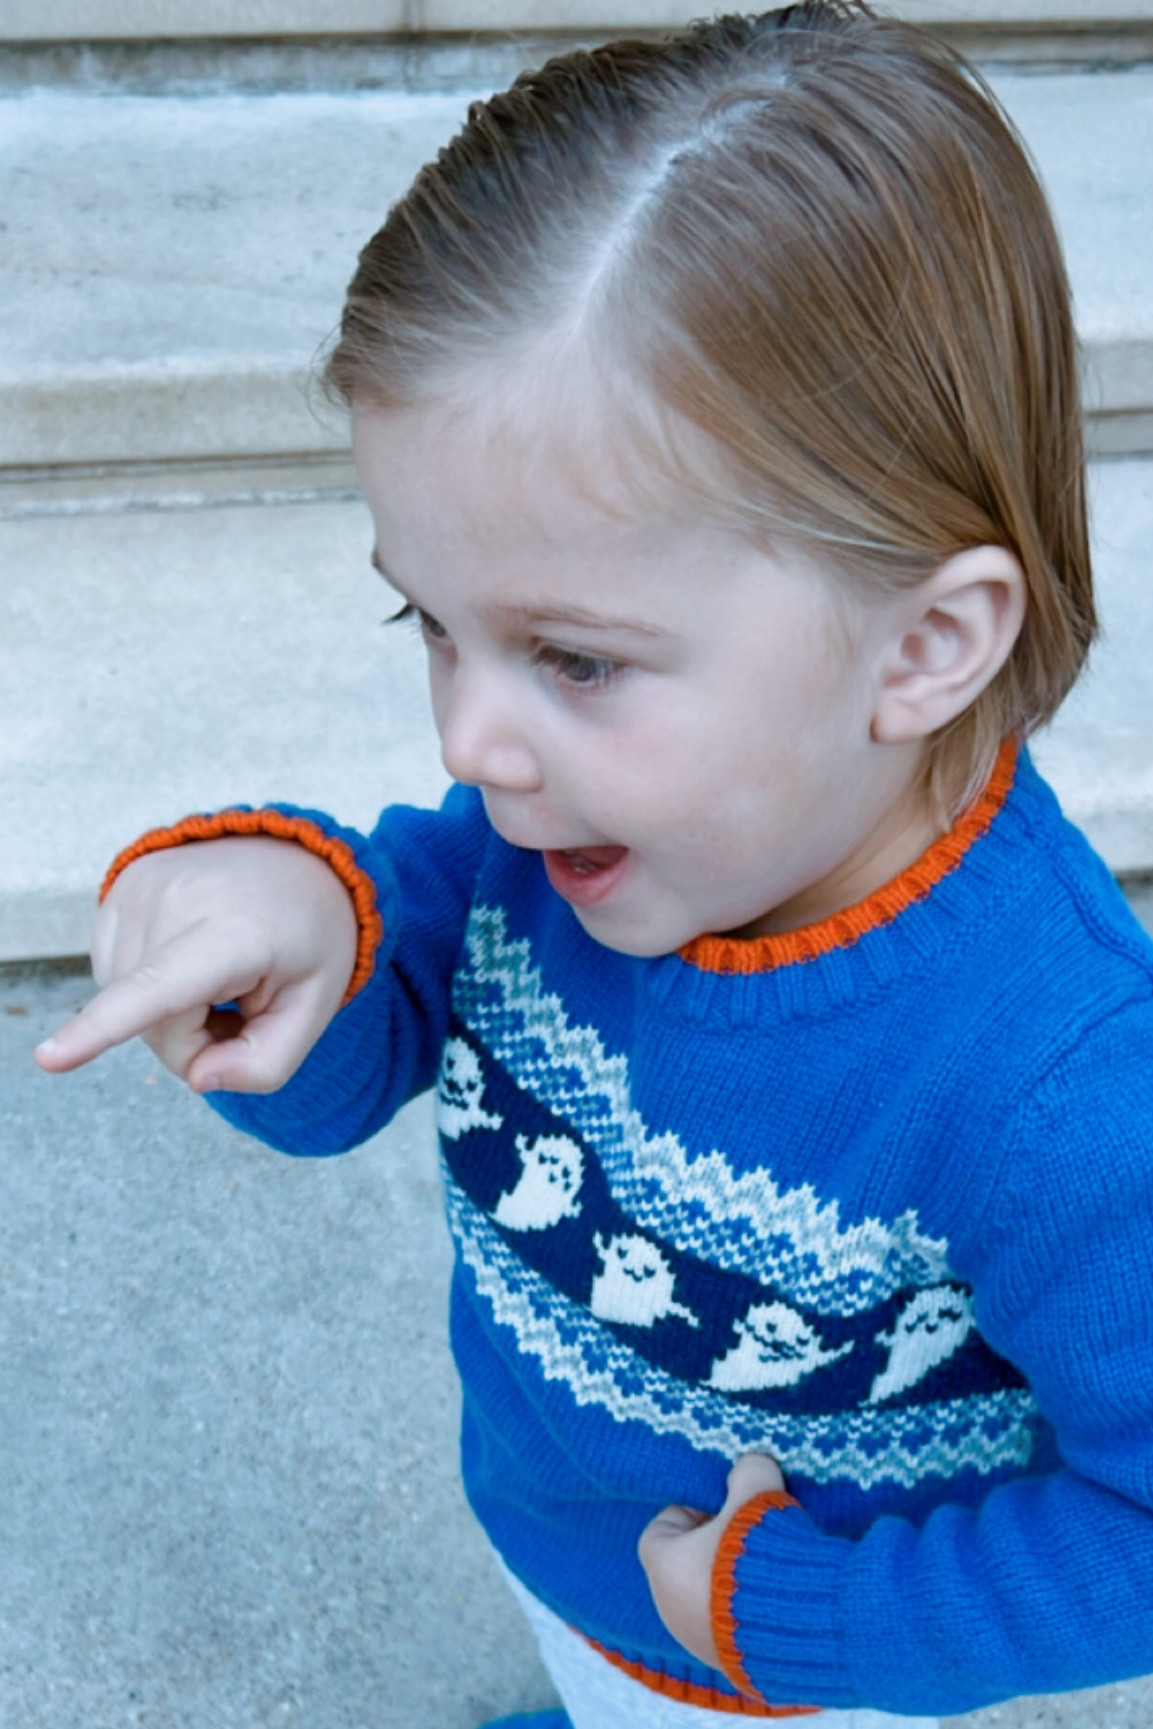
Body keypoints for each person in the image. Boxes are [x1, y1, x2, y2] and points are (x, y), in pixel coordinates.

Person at [36, 3, 1153, 1726]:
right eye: (430, 623)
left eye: (572, 658)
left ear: (924, 645)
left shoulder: (1059, 1090)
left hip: (779, 1671)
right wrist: (277, 919)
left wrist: (795, 1619)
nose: (473, 746)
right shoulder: (562, 838)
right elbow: (371, 1008)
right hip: (558, 1544)